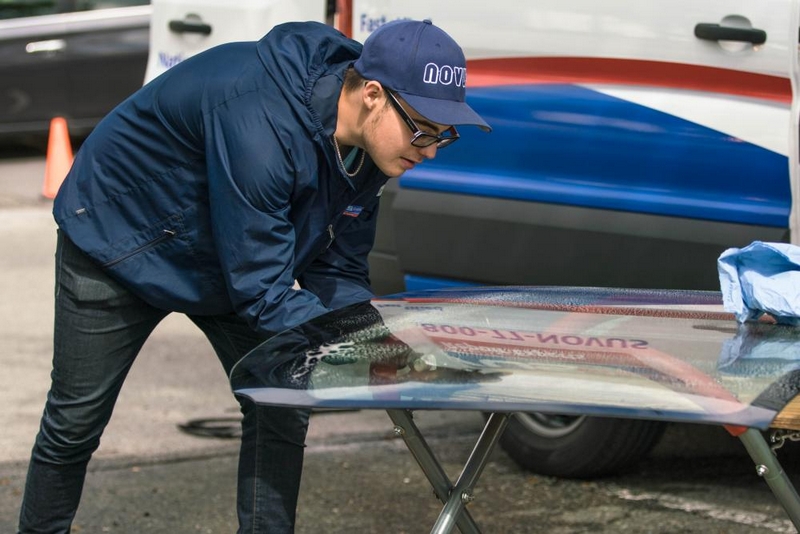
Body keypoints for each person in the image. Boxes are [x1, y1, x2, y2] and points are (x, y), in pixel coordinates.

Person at [18, 18, 490, 534]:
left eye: (444, 135)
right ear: (373, 94)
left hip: (227, 255)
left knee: (280, 402)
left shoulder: (376, 149)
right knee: (75, 424)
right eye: (422, 129)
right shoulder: (259, 119)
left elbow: (339, 269)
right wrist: (376, 353)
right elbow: (264, 296)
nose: (429, 151)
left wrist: (379, 338)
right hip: (120, 235)